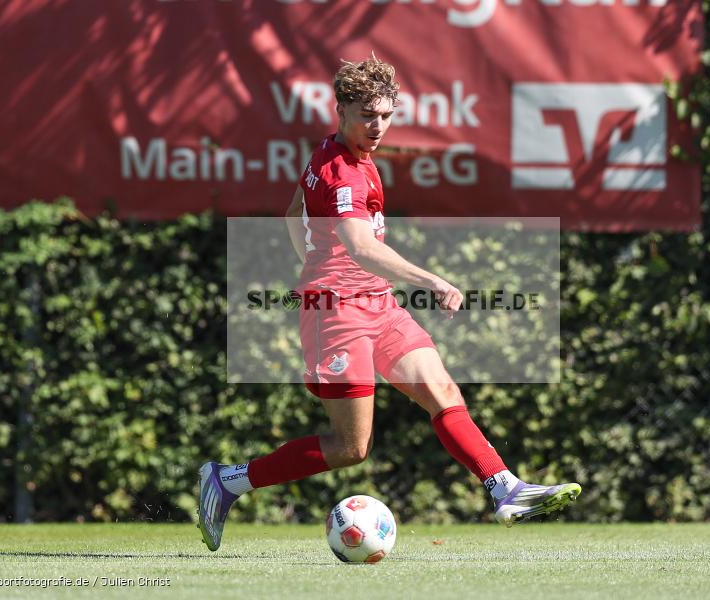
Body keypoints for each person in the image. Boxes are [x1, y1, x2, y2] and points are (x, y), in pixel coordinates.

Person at [198, 54, 580, 551]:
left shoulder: (344, 155)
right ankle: (228, 482)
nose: (378, 126)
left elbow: (295, 210)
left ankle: (503, 487)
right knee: (351, 447)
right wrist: (429, 280)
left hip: (377, 304)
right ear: (341, 110)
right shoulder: (343, 172)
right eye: (367, 115)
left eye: (386, 115)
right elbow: (360, 247)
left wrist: (315, 258)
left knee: (441, 388)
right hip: (336, 315)